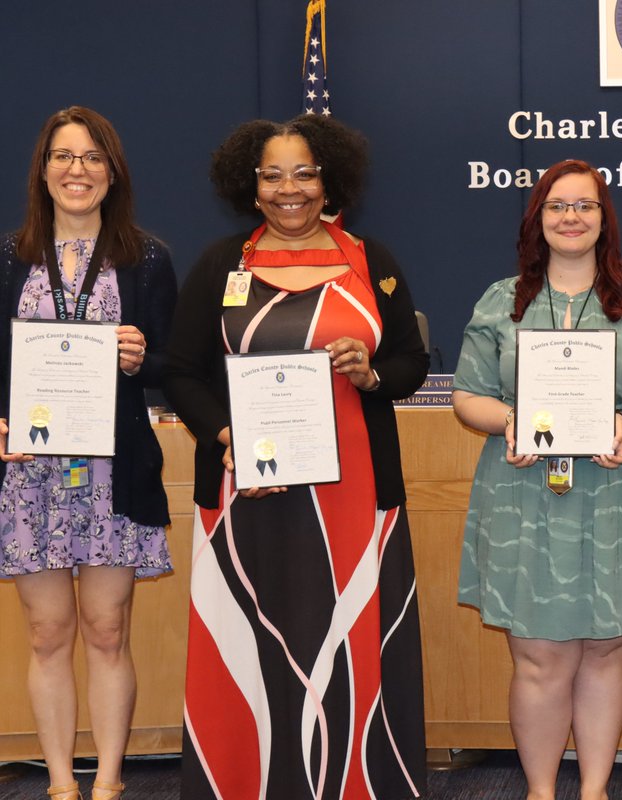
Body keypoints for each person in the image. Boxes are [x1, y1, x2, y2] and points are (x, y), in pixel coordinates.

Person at [163, 115, 429, 799]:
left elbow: (410, 361)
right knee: (258, 642)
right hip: (246, 494)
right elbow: (182, 370)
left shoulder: (372, 261)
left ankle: (353, 782)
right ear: (251, 188)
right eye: (273, 175)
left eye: (304, 173)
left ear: (327, 179)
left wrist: (372, 374)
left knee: (342, 640)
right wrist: (224, 436)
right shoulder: (222, 263)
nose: (290, 189)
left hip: (354, 498)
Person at [453, 159, 622, 800]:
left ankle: (593, 791)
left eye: (585, 206)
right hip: (523, 492)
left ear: (603, 220)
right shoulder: (499, 301)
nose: (571, 218)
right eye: (558, 206)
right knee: (539, 656)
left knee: (607, 649)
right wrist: (510, 421)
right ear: (538, 219)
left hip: (619, 491)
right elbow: (466, 395)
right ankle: (539, 791)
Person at [0, 106, 176, 800]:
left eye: (92, 157)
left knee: (106, 630)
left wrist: (140, 358)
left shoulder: (147, 257)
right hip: (31, 474)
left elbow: (176, 363)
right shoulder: (10, 259)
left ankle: (106, 781)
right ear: (43, 172)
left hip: (114, 471)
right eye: (64, 157)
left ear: (113, 172)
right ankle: (58, 783)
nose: (78, 171)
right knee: (47, 634)